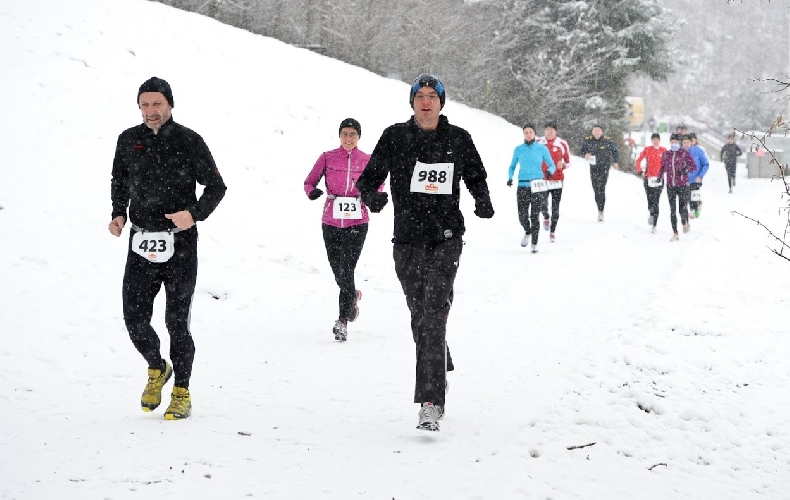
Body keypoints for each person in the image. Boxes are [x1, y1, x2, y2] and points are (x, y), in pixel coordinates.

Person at [356, 74, 494, 432]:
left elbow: (476, 175)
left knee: (433, 314)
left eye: (433, 96)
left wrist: (483, 200)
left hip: (446, 238)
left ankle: (431, 401)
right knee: (421, 315)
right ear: (412, 101)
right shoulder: (394, 136)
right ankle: (438, 352)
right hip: (406, 241)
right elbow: (368, 179)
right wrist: (373, 197)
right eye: (421, 96)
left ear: (442, 102)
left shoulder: (458, 138)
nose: (427, 101)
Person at [109, 77, 227, 420]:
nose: (150, 111)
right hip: (141, 242)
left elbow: (216, 187)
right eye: (144, 104)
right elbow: (119, 179)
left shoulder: (189, 141)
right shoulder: (128, 140)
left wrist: (194, 214)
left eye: (156, 104)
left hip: (180, 244)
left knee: (176, 322)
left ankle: (181, 391)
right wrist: (118, 212)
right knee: (134, 319)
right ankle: (157, 367)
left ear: (170, 105)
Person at [303, 118, 379, 342]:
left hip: (358, 221)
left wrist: (371, 194)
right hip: (331, 220)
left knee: (347, 269)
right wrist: (312, 192)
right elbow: (309, 182)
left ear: (359, 137)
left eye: (353, 134)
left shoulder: (366, 160)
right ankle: (352, 295)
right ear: (339, 135)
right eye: (345, 134)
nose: (348, 138)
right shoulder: (327, 157)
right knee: (339, 271)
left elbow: (377, 183)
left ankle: (342, 320)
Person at [508, 123, 556, 252]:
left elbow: (552, 164)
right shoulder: (518, 149)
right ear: (523, 134)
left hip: (537, 185)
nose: (528, 134)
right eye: (526, 132)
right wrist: (510, 177)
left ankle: (534, 244)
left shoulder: (541, 149)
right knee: (522, 216)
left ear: (535, 133)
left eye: (530, 132)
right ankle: (527, 231)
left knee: (534, 216)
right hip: (523, 185)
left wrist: (550, 171)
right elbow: (512, 166)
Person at [538, 120, 571, 243]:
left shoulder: (562, 143)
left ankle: (552, 232)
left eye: (551, 129)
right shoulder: (538, 142)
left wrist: (562, 165)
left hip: (557, 179)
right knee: (542, 203)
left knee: (555, 206)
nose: (549, 131)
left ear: (556, 131)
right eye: (547, 129)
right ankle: (546, 216)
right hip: (542, 178)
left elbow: (569, 162)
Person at [580, 124, 619, 221]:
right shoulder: (588, 140)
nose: (596, 132)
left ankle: (601, 211)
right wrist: (585, 154)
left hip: (604, 167)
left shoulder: (607, 140)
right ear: (592, 131)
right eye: (594, 130)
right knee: (595, 189)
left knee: (601, 188)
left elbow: (615, 151)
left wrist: (616, 162)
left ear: (602, 132)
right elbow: (582, 151)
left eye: (598, 130)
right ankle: (599, 206)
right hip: (593, 168)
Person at [659, 133, 694, 241]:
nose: (674, 143)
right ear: (670, 142)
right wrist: (659, 176)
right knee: (672, 210)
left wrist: (685, 170)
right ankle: (675, 232)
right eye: (672, 142)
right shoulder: (666, 154)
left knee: (682, 209)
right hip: (670, 186)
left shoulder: (684, 153)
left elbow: (693, 166)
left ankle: (684, 222)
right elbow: (662, 167)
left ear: (679, 143)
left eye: (676, 142)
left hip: (683, 185)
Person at [634, 133, 666, 234]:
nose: (655, 141)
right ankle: (651, 213)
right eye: (654, 140)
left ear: (659, 141)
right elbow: (638, 160)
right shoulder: (648, 149)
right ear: (651, 141)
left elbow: (668, 163)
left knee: (656, 201)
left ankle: (655, 225)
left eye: (657, 139)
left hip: (659, 179)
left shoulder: (663, 150)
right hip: (648, 178)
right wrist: (639, 170)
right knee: (650, 200)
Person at [687, 132, 709, 218]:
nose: (691, 142)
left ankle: (694, 210)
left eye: (692, 140)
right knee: (688, 195)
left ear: (695, 140)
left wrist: (700, 175)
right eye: (689, 140)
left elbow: (706, 163)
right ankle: (696, 205)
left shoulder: (700, 150)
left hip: (696, 178)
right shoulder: (684, 150)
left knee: (694, 195)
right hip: (687, 178)